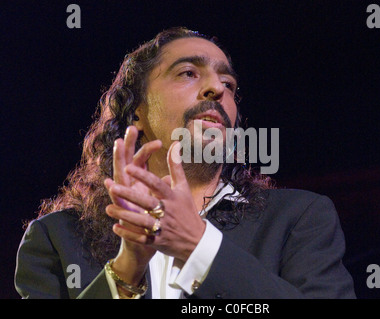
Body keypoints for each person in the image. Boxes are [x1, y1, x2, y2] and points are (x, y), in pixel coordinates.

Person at [15, 27, 356, 299]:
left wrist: (199, 246)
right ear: (137, 109)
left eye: (228, 83)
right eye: (189, 73)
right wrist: (126, 269)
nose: (216, 89)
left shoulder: (299, 218)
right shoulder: (56, 237)